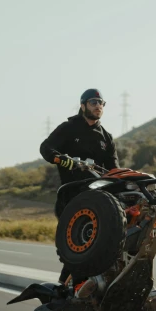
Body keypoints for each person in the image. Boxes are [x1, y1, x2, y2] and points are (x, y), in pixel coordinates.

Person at [40, 88, 120, 284]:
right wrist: (60, 158)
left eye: (101, 103)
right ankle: (72, 289)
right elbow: (45, 147)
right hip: (71, 197)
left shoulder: (106, 137)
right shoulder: (69, 128)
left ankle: (89, 288)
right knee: (77, 245)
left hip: (98, 199)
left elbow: (114, 170)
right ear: (83, 105)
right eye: (93, 102)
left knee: (104, 244)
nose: (98, 106)